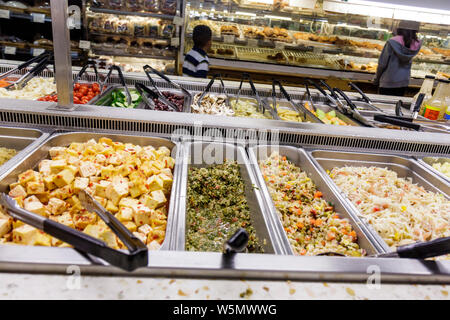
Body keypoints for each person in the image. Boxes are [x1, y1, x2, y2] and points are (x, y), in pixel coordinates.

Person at [374, 20, 422, 96]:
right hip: (403, 82)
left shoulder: (392, 42)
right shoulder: (416, 43)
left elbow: (382, 64)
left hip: (388, 81)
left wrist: (376, 79)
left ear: (399, 29)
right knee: (396, 105)